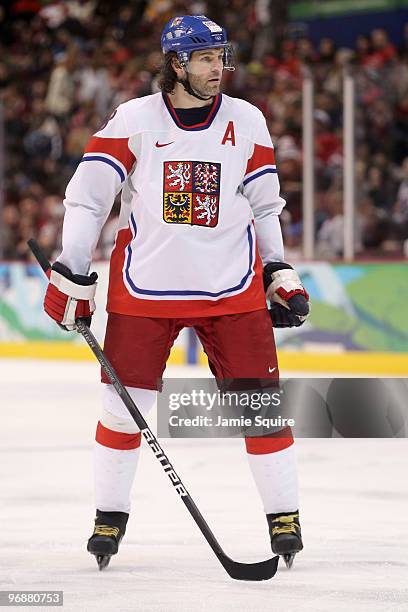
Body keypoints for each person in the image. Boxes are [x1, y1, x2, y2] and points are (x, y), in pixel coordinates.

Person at [43, 15, 310, 570]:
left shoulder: (248, 119)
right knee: (121, 411)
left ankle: (284, 517)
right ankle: (109, 517)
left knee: (261, 408)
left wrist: (279, 271)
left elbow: (265, 206)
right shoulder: (134, 119)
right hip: (147, 290)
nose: (219, 68)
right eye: (207, 58)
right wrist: (71, 270)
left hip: (231, 289)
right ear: (176, 63)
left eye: (221, 57)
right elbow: (88, 199)